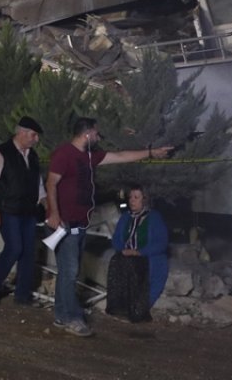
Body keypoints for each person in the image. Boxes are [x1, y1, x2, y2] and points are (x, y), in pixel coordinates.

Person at [46, 117, 172, 337]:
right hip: (65, 224)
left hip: (80, 224)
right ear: (86, 133)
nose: (98, 137)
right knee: (70, 271)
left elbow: (121, 156)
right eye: (96, 133)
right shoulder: (64, 154)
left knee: (68, 271)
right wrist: (54, 213)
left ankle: (61, 314)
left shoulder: (89, 157)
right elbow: (51, 183)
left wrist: (151, 152)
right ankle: (72, 318)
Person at [0, 116, 46, 307]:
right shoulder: (0, 154)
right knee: (15, 248)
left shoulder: (32, 156)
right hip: (8, 211)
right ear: (22, 133)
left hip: (28, 211)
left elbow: (38, 185)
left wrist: (48, 206)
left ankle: (22, 296)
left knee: (28, 253)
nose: (36, 139)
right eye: (33, 135)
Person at [107, 183, 169, 322]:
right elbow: (116, 238)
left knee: (135, 268)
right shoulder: (125, 217)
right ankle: (119, 307)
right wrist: (122, 249)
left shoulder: (154, 217)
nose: (132, 200)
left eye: (136, 197)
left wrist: (138, 252)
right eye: (130, 197)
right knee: (116, 262)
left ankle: (137, 309)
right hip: (129, 255)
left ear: (145, 199)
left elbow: (161, 243)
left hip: (146, 256)